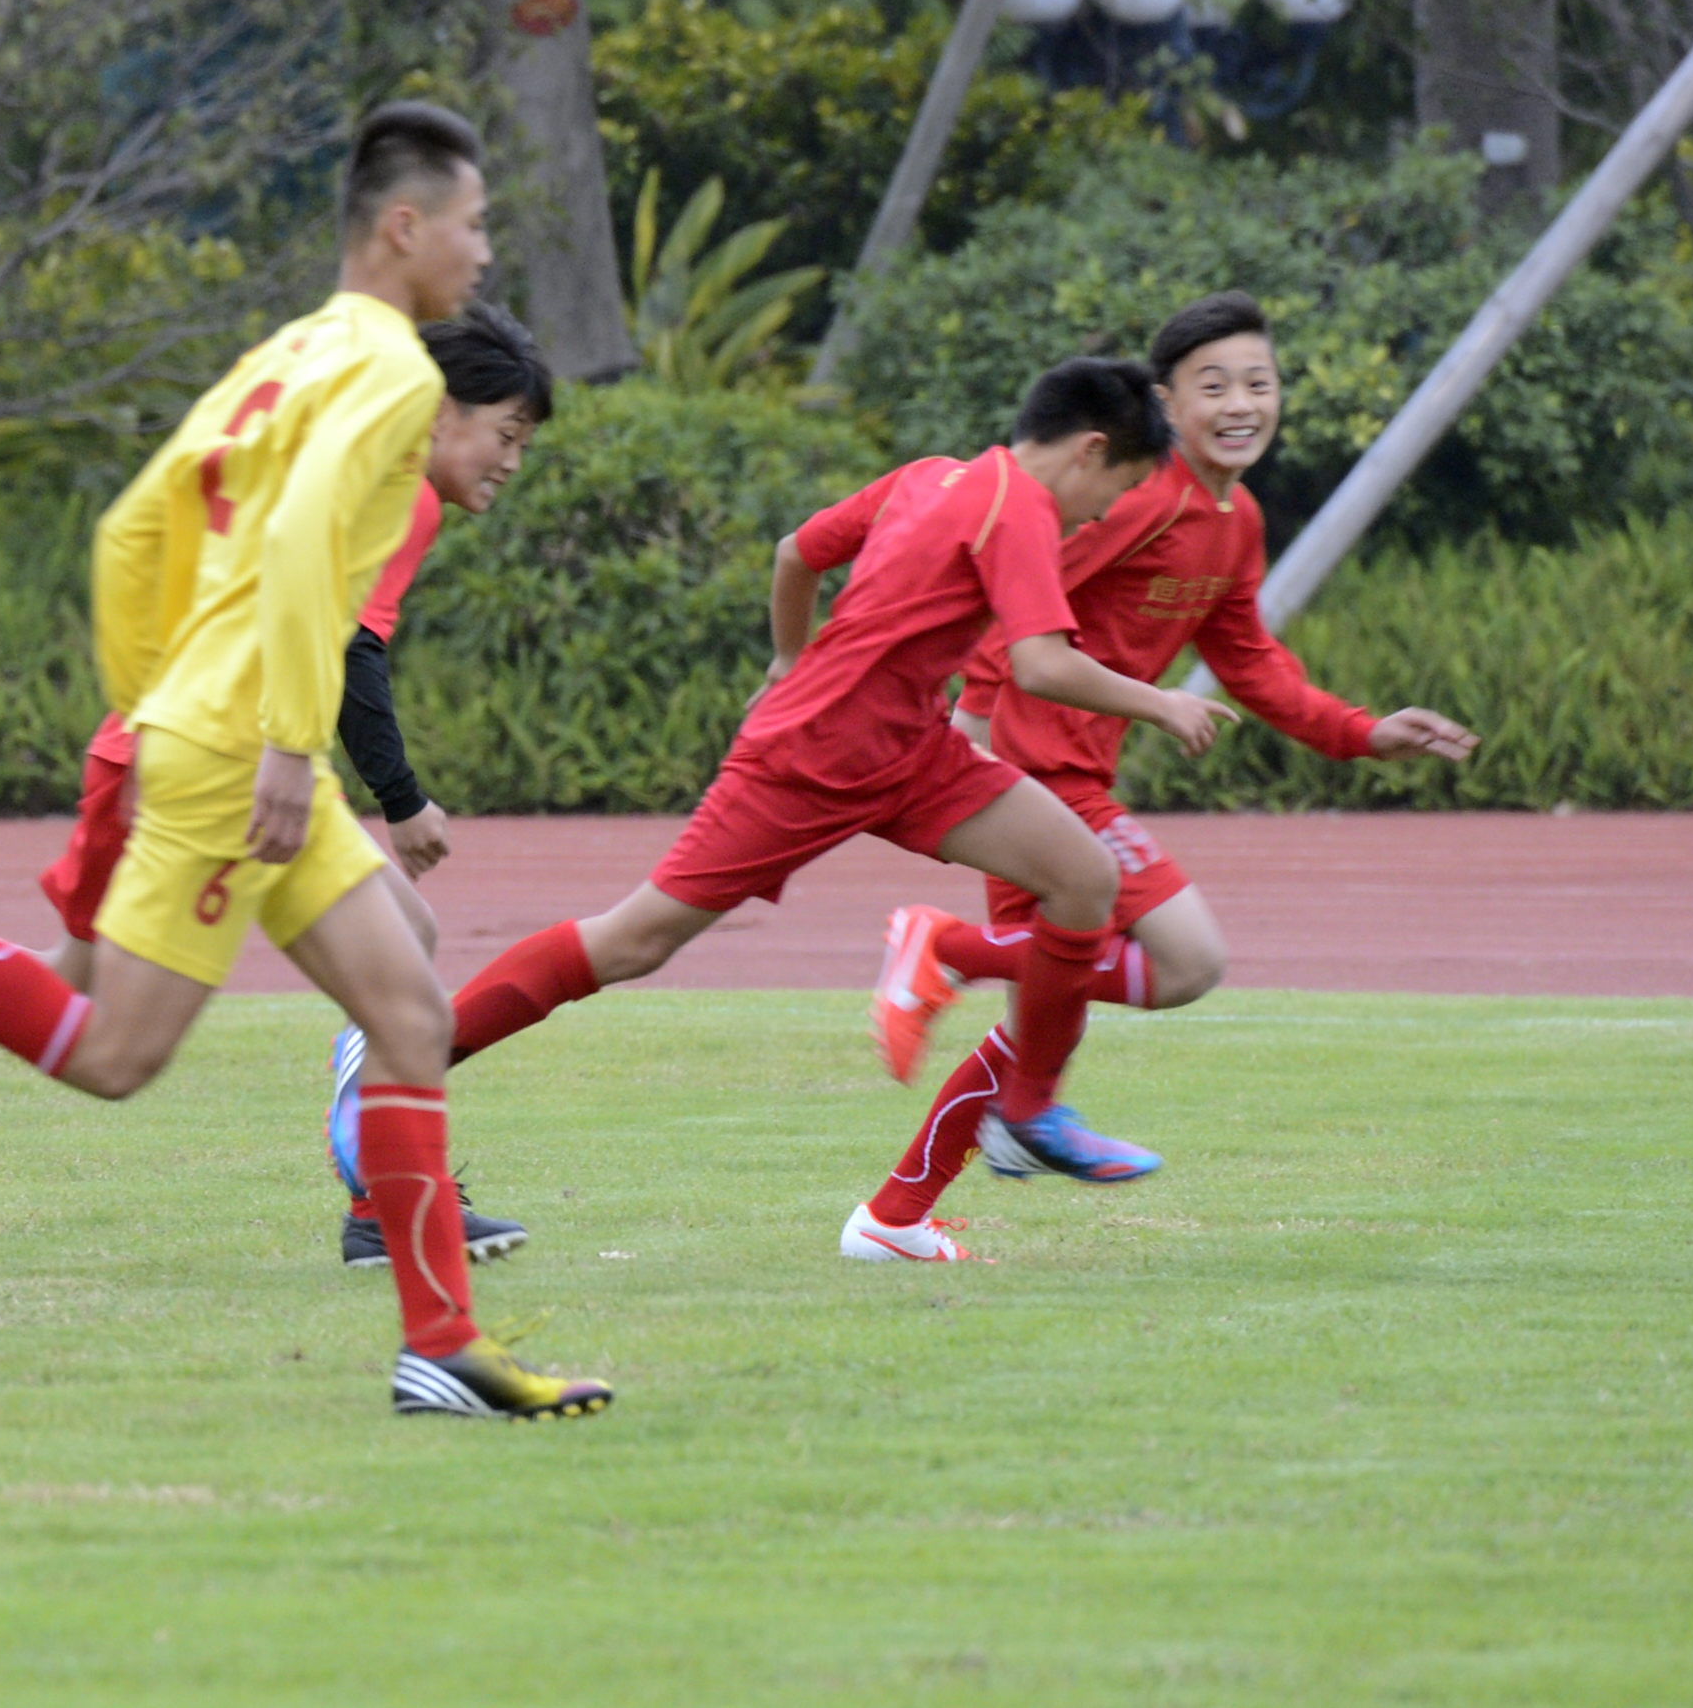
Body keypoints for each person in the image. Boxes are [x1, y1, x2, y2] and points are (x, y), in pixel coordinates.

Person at [0, 103, 610, 1422]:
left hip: (213, 725)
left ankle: (438, 1346)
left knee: (406, 1011)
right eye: (474, 222)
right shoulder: (389, 368)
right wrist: (256, 736)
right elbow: (291, 540)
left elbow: (127, 527)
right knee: (109, 1050)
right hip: (237, 748)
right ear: (406, 224)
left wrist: (151, 694)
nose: (482, 250)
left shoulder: (285, 352)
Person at [413, 356, 1229, 1245]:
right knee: (633, 940)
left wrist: (787, 657)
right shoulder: (1022, 506)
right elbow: (1039, 663)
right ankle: (410, 1059)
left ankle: (1027, 1109)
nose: (1102, 515)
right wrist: (1161, 702)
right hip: (809, 760)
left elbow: (795, 552)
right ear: (1089, 450)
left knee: (1082, 876)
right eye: (1113, 492)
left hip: (911, 751)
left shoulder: (930, 478)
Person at [846, 290, 1479, 1261]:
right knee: (1188, 961)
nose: (1240, 403)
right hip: (1035, 768)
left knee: (1042, 1014)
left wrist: (1362, 733)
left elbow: (1251, 660)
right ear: (1165, 403)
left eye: (1258, 383)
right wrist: (971, 724)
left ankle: (891, 1219)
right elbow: (1010, 579)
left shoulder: (1236, 519)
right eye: (1212, 385)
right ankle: (948, 956)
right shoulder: (1137, 495)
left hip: (1058, 767)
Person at [0, 301, 553, 1273]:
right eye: (505, 434)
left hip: (230, 754)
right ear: (439, 415)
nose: (512, 460)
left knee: (403, 962)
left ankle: (386, 1215)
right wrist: (404, 797)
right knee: (85, 1024)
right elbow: (351, 648)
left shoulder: (356, 457)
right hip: (200, 764)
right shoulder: (399, 489)